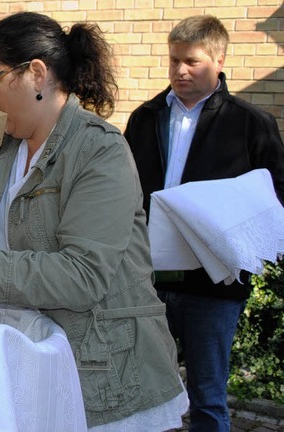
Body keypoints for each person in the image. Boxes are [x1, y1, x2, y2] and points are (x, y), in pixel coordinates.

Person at [0, 11, 188, 431]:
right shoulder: (8, 150)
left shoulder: (100, 151)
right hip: (34, 365)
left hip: (103, 376)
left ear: (36, 74)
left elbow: (81, 277)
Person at [123, 15, 284, 432]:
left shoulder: (251, 124)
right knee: (137, 389)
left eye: (191, 61)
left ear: (219, 59)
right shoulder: (145, 118)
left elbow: (276, 198)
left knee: (208, 398)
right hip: (149, 279)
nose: (179, 70)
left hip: (214, 285)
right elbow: (124, 190)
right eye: (174, 60)